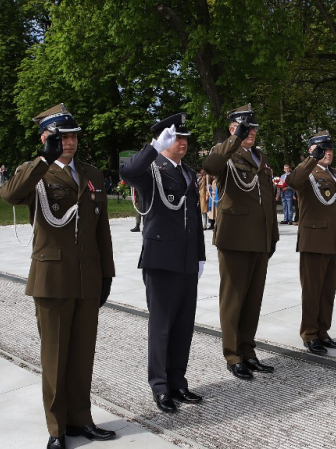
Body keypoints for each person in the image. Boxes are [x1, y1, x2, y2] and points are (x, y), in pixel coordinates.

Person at [0, 104, 116, 448]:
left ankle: (81, 420)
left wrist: (106, 273)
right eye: (61, 136)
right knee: (54, 357)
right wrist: (42, 159)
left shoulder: (93, 174)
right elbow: (9, 195)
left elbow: (102, 231)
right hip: (52, 278)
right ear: (46, 138)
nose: (69, 142)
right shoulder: (36, 172)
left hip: (87, 278)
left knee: (82, 355)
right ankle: (57, 428)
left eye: (73, 135)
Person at [120, 113, 205, 414]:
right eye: (177, 138)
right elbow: (128, 171)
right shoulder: (151, 170)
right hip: (161, 261)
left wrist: (200, 255)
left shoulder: (188, 173)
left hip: (186, 260)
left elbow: (193, 218)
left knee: (183, 325)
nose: (182, 143)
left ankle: (177, 381)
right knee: (162, 327)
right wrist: (154, 147)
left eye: (184, 138)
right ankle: (159, 386)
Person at [202, 104, 278, 380]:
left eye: (254, 129)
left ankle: (248, 351)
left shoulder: (261, 157)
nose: (251, 133)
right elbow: (210, 166)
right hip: (234, 237)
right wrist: (233, 140)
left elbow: (267, 200)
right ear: (233, 129)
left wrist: (273, 235)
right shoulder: (224, 154)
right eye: (245, 128)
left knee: (253, 299)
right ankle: (233, 355)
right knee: (233, 299)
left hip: (259, 237)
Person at [286, 131, 336, 355]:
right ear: (313, 150)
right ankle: (310, 334)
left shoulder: (333, 174)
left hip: (333, 240)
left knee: (327, 290)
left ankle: (323, 331)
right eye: (323, 149)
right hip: (314, 240)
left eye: (330, 148)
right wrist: (311, 158)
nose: (328, 152)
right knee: (312, 290)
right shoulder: (308, 171)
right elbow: (292, 181)